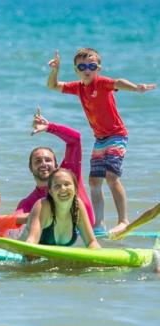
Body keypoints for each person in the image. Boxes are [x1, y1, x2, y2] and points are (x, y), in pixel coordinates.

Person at [47, 48, 156, 234]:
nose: (87, 69)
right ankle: (99, 224)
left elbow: (118, 82)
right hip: (100, 139)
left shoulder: (102, 83)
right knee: (94, 181)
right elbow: (53, 86)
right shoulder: (78, 87)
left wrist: (136, 88)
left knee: (111, 177)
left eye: (91, 66)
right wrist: (55, 70)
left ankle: (123, 220)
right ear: (76, 70)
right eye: (82, 66)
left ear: (98, 68)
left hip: (117, 135)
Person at [17, 109, 95, 233]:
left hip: (87, 237)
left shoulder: (69, 174)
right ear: (30, 168)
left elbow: (75, 139)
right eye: (38, 161)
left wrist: (49, 127)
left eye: (48, 160)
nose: (43, 163)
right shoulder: (29, 202)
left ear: (56, 165)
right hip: (57, 244)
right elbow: (15, 219)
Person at [25, 168, 100, 248]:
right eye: (57, 186)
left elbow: (91, 242)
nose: (63, 189)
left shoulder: (77, 206)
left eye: (67, 184)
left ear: (75, 188)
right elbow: (31, 242)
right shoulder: (43, 205)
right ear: (50, 192)